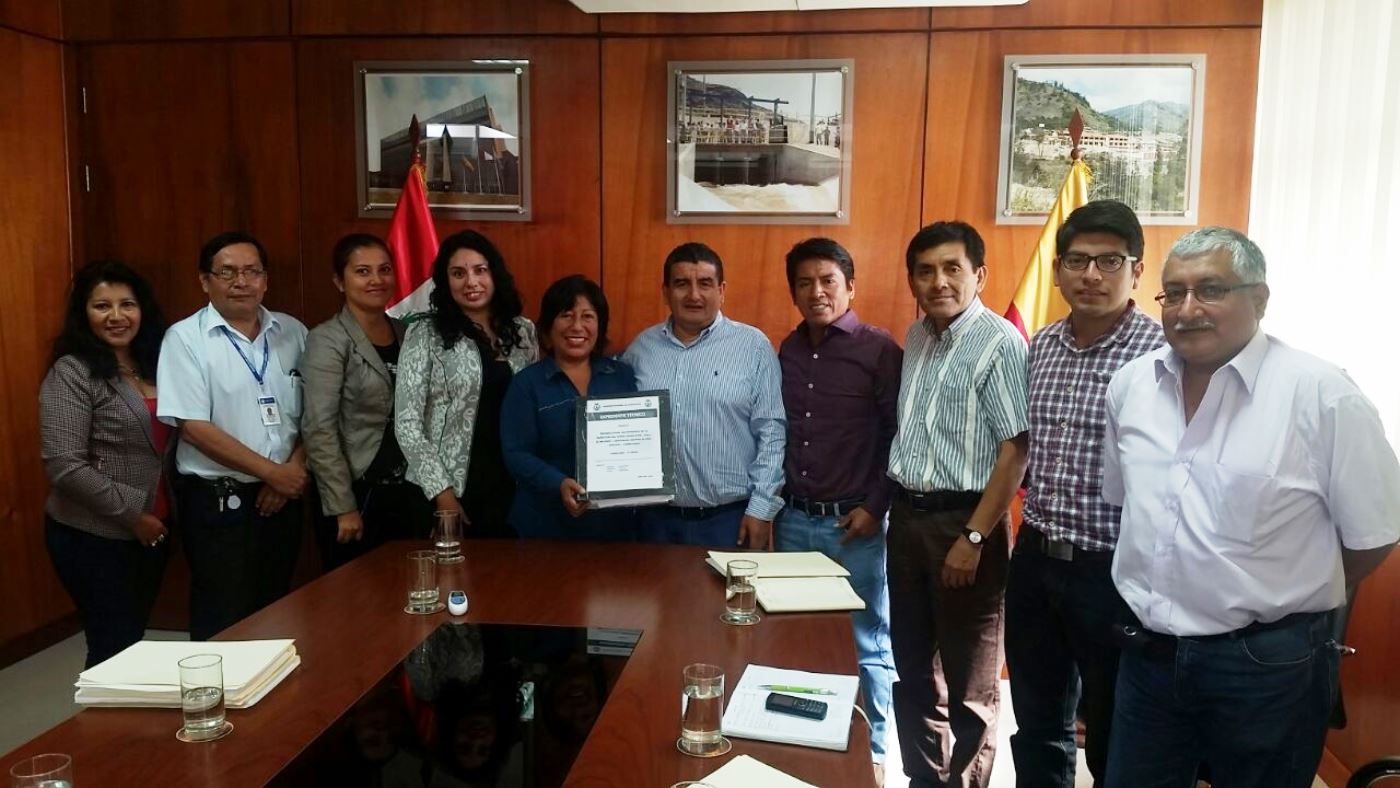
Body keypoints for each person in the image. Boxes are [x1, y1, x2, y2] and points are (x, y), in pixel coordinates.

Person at [1102, 227, 1400, 788]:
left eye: (1210, 289)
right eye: (1174, 292)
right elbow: (1129, 506)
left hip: (1266, 665)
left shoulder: (1324, 396)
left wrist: (1290, 593)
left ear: (1259, 299)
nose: (1188, 309)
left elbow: (1375, 533)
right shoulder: (1131, 386)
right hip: (1148, 658)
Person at [1004, 201, 1164, 788]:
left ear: (1137, 271)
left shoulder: (1162, 356)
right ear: (1057, 271)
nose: (1091, 275)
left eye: (1109, 261)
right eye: (1077, 261)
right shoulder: (1039, 346)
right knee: (1037, 719)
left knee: (1114, 724)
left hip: (1115, 571)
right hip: (1037, 556)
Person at [886, 221, 1028, 788]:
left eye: (952, 269)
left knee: (971, 688)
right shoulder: (918, 336)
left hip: (966, 524)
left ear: (979, 275)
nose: (938, 281)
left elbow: (1016, 450)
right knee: (914, 672)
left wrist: (973, 538)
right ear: (913, 280)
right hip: (908, 522)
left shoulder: (1000, 342)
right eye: (925, 271)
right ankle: (925, 780)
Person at [775, 238, 899, 785]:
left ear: (851, 286)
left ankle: (871, 749)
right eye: (804, 283)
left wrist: (876, 507)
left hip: (854, 525)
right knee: (793, 636)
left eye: (828, 280)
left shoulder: (879, 350)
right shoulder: (788, 349)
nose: (817, 291)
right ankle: (802, 740)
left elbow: (901, 436)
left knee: (865, 639)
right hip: (793, 519)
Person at [157, 231, 309, 641]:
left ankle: (274, 705)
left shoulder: (293, 332)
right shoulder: (185, 339)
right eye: (227, 272)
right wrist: (272, 473)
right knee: (223, 616)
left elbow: (318, 412)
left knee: (276, 609)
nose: (241, 281)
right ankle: (218, 702)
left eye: (251, 271)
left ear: (265, 279)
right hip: (218, 502)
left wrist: (291, 470)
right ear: (205, 281)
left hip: (284, 498)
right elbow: (195, 428)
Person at [39, 261, 172, 668]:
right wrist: (135, 515)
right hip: (94, 534)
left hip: (155, 528)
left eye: (126, 304)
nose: (116, 316)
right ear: (84, 314)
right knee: (113, 646)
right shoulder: (72, 372)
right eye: (102, 306)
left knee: (132, 640)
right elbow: (65, 465)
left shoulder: (156, 364)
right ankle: (101, 732)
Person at [621, 242, 784, 548]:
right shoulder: (641, 349)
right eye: (682, 284)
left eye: (705, 284)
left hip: (730, 520)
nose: (694, 295)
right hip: (654, 521)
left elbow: (772, 433)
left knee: (724, 599)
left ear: (721, 290)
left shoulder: (753, 346)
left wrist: (762, 510)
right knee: (653, 597)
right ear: (665, 291)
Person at [396, 230, 538, 539]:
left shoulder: (523, 332)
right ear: (445, 282)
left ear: (494, 274)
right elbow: (407, 423)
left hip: (508, 486)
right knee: (448, 585)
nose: (471, 282)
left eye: (480, 270)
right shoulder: (425, 333)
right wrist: (442, 495)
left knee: (507, 583)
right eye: (458, 273)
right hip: (444, 490)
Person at [302, 233, 432, 571]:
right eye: (362, 271)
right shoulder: (327, 340)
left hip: (409, 492)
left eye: (384, 269)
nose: (376, 280)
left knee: (412, 594)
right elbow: (319, 428)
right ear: (339, 281)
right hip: (357, 494)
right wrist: (343, 506)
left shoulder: (409, 334)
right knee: (358, 606)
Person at [500, 275, 638, 541]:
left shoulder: (622, 376)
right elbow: (516, 453)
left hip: (613, 528)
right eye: (566, 315)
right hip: (544, 525)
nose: (577, 326)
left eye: (588, 316)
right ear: (548, 327)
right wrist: (558, 483)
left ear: (600, 326)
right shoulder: (526, 384)